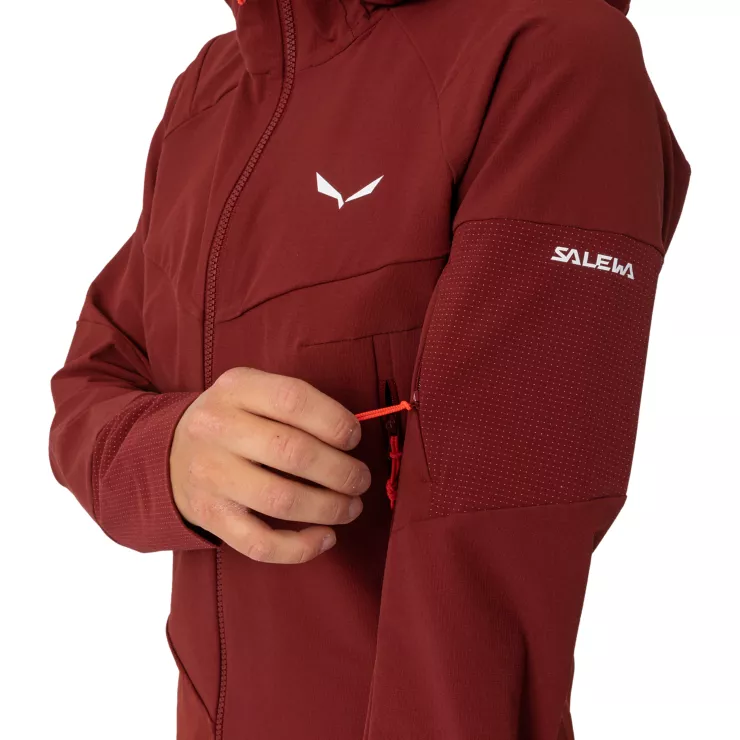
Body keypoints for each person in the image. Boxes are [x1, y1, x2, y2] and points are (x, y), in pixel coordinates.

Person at [48, 0, 690, 738]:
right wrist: (167, 453)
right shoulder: (208, 93)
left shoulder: (547, 53)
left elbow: (489, 577)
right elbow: (93, 380)